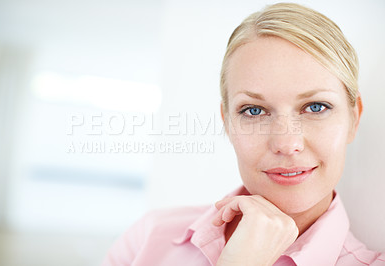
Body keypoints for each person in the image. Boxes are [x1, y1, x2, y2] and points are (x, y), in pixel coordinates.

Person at [102, 3, 385, 265]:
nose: (286, 144)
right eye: (254, 111)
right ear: (227, 123)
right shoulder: (149, 237)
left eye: (315, 107)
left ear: (354, 117)